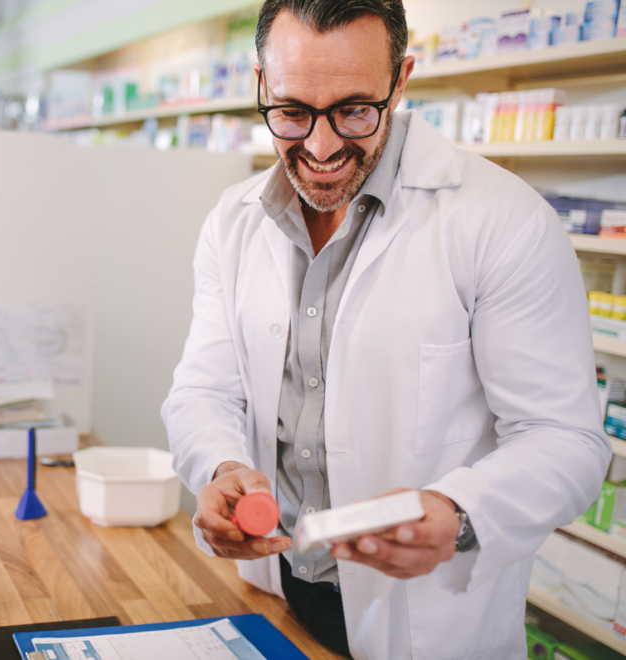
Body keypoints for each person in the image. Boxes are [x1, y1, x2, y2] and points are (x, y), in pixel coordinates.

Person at [161, 1, 610, 658]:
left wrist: (459, 516)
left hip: (427, 625)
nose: (319, 146)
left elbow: (568, 441)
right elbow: (202, 387)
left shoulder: (503, 222)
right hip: (274, 592)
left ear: (400, 81)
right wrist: (221, 468)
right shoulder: (232, 223)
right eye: (291, 111)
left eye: (352, 111)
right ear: (261, 83)